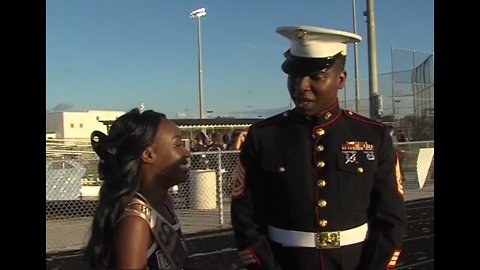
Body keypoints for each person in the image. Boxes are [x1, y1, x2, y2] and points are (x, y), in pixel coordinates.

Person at [230, 25, 407, 270]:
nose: (301, 86)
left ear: (340, 79)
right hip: (284, 262)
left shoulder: (373, 136)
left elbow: (390, 219)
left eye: (316, 76)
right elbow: (245, 218)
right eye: (294, 75)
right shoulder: (264, 136)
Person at [83, 108, 201, 269]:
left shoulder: (165, 202)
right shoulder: (135, 221)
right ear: (148, 154)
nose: (187, 153)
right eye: (178, 145)